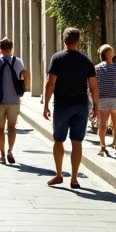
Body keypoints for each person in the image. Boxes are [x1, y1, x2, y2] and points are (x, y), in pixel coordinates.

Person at [43, 27, 99, 188]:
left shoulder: (57, 58)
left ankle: (59, 174)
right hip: (81, 105)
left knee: (58, 140)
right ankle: (74, 178)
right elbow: (94, 86)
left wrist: (46, 104)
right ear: (79, 40)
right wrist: (96, 105)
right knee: (77, 142)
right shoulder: (86, 60)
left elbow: (50, 83)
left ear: (63, 39)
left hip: (62, 105)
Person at [0, 37, 27, 166]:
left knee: (0, 128)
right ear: (11, 48)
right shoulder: (18, 61)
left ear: (0, 49)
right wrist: (24, 86)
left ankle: (2, 155)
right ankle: (10, 151)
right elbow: (26, 74)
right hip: (14, 100)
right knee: (12, 127)